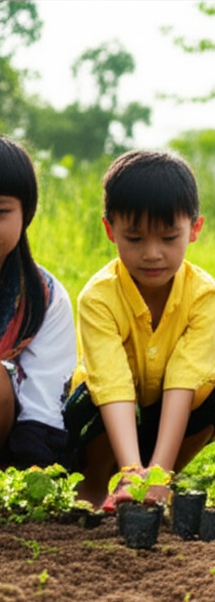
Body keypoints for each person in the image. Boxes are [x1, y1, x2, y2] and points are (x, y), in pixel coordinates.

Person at [65, 150, 215, 510]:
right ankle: (97, 482)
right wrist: (130, 469)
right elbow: (111, 385)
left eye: (169, 238)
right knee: (84, 396)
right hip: (110, 414)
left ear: (195, 229)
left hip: (171, 410)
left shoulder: (206, 296)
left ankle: (160, 481)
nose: (152, 254)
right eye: (135, 239)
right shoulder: (99, 297)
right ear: (110, 230)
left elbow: (185, 379)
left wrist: (158, 472)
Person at [0, 136, 76, 469]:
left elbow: (43, 404)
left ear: (26, 213)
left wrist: (36, 476)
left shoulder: (44, 298)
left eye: (1, 211)